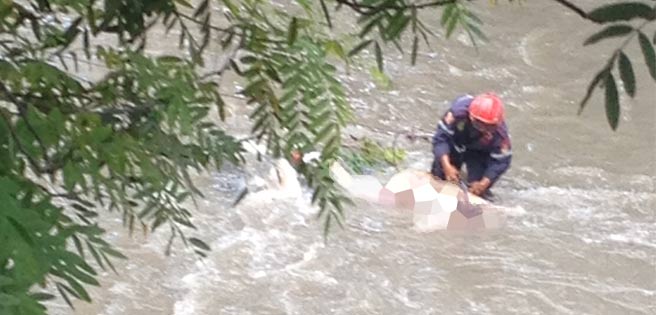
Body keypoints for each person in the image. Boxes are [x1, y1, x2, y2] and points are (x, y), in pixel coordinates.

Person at [431, 93, 512, 198]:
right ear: (471, 116)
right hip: (457, 140)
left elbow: (501, 161)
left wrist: (484, 183)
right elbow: (441, 139)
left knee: (478, 189)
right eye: (480, 124)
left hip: (480, 152)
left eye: (489, 127)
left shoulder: (501, 135)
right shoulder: (456, 114)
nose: (483, 129)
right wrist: (447, 166)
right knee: (441, 175)